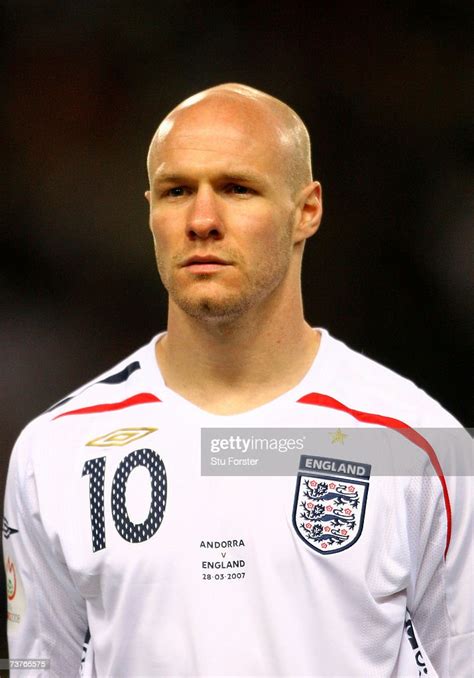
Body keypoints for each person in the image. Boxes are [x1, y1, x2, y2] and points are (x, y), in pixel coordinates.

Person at [3, 83, 472, 677]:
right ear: (150, 210)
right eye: (177, 192)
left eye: (236, 188)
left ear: (307, 210)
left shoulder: (419, 443)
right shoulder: (56, 450)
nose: (202, 220)